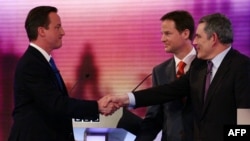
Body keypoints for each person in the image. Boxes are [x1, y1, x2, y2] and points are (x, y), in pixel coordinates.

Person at [104, 13, 250, 141]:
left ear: (213, 38)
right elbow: (169, 91)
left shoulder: (243, 67)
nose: (195, 42)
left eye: (198, 36)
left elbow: (245, 124)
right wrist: (125, 99)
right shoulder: (200, 67)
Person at [8, 6, 117, 141]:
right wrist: (97, 107)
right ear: (42, 31)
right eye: (57, 27)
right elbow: (56, 104)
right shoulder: (32, 64)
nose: (63, 32)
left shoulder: (42, 61)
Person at [135, 10, 196, 141]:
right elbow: (154, 117)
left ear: (185, 33)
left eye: (167, 33)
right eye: (162, 34)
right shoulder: (160, 71)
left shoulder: (207, 65)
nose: (162, 39)